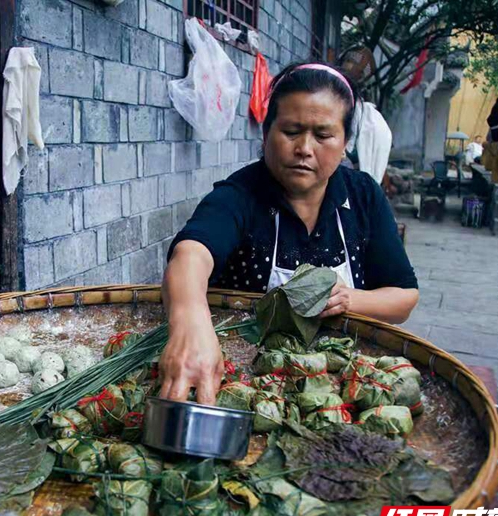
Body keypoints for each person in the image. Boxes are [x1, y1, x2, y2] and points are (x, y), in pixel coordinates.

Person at [159, 62, 419, 405]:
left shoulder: (363, 197)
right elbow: (191, 255)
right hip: (249, 382)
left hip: (339, 388)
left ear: (345, 144)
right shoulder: (240, 196)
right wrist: (191, 321)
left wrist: (350, 300)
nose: (305, 149)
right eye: (291, 131)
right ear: (266, 133)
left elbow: (404, 297)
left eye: (323, 135)